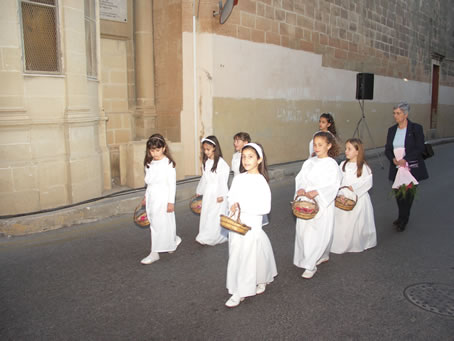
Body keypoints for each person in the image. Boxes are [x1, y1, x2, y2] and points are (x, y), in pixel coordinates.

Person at [225, 143, 277, 308]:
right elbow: (231, 196)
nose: (246, 160)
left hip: (251, 222)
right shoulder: (239, 178)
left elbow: (265, 208)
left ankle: (240, 291)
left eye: (250, 156)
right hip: (237, 222)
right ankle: (261, 277)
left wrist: (244, 207)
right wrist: (232, 204)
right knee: (239, 254)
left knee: (247, 255)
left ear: (259, 159)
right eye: (244, 156)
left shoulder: (261, 181)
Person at [294, 131, 342, 279]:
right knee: (304, 232)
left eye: (320, 145)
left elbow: (334, 184)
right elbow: (300, 178)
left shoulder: (332, 164)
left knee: (317, 233)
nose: (316, 147)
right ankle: (315, 256)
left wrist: (318, 192)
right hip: (306, 202)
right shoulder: (309, 162)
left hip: (321, 203)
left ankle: (311, 265)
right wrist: (300, 188)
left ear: (329, 146)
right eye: (315, 144)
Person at [384, 102, 428, 232]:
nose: (395, 116)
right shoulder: (392, 130)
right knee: (398, 194)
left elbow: (420, 148)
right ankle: (401, 216)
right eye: (394, 113)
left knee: (408, 195)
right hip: (396, 168)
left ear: (406, 114)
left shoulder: (416, 128)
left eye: (398, 113)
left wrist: (406, 159)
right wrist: (392, 159)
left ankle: (404, 219)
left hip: (410, 167)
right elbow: (387, 149)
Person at [141, 134, 181, 265]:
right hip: (153, 195)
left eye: (157, 150)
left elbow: (172, 184)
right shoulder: (149, 163)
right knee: (154, 222)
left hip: (163, 196)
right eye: (152, 150)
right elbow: (149, 182)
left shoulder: (168, 164)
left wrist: (171, 202)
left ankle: (155, 252)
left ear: (163, 148)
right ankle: (171, 241)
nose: (154, 153)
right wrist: (146, 196)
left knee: (162, 222)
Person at [331, 138, 377, 253]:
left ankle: (360, 242)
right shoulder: (342, 165)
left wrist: (354, 188)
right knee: (343, 223)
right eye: (346, 148)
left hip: (359, 199)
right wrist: (340, 193)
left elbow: (367, 183)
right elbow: (338, 181)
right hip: (343, 198)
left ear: (357, 151)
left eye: (349, 149)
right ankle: (343, 243)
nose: (346, 151)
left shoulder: (363, 167)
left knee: (358, 223)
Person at [195, 136, 230, 245]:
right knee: (207, 213)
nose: (206, 152)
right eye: (204, 149)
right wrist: (200, 190)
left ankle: (215, 236)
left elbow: (222, 181)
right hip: (209, 192)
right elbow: (204, 178)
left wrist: (221, 194)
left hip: (218, 192)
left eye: (208, 149)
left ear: (215, 148)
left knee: (215, 215)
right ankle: (206, 234)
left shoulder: (221, 163)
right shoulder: (206, 162)